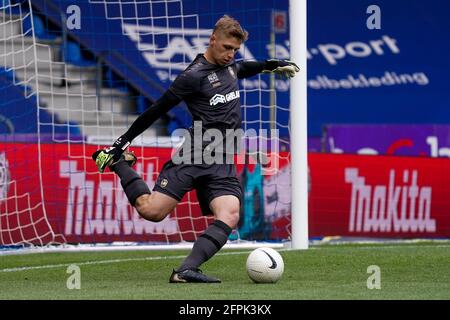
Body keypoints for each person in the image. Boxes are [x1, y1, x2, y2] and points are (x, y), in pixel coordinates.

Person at [92, 15, 299, 283]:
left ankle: (185, 271)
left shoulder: (231, 67)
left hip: (224, 157)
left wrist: (269, 65)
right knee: (152, 212)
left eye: (234, 50)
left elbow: (243, 68)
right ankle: (120, 164)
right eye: (226, 47)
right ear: (212, 40)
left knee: (231, 213)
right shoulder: (192, 76)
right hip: (196, 153)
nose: (230, 54)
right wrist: (122, 141)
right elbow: (157, 110)